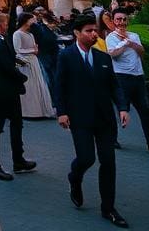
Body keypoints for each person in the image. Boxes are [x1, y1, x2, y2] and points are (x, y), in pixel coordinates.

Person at [55, 14, 130, 228]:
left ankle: (109, 208)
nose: (94, 34)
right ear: (77, 33)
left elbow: (114, 86)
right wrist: (61, 111)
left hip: (105, 118)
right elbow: (59, 85)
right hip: (80, 117)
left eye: (95, 30)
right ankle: (74, 177)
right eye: (88, 31)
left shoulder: (103, 58)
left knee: (108, 161)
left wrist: (123, 108)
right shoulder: (66, 56)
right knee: (86, 158)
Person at [105, 8, 149, 156]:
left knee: (145, 111)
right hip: (121, 77)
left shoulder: (134, 35)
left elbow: (141, 51)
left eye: (124, 19)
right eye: (118, 19)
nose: (121, 22)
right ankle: (111, 139)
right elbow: (113, 55)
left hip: (138, 76)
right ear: (114, 21)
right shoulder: (111, 37)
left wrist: (131, 43)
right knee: (122, 109)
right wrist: (123, 44)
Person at [0, 12, 35, 181]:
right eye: (6, 23)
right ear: (0, 25)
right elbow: (7, 66)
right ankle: (4, 163)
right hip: (5, 90)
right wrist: (22, 77)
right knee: (3, 127)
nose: (8, 26)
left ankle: (14, 159)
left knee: (5, 126)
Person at [13, 12, 55, 118]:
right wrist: (33, 50)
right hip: (25, 62)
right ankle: (29, 111)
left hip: (34, 61)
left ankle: (40, 110)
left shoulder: (30, 34)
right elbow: (17, 49)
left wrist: (34, 50)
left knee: (38, 84)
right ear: (26, 20)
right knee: (29, 85)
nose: (34, 22)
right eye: (32, 19)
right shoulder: (17, 34)